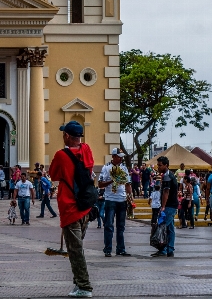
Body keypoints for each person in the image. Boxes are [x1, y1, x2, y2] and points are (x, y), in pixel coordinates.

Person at [49, 120, 95, 298]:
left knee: (75, 250)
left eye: (64, 134)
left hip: (70, 208)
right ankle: (78, 284)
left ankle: (84, 286)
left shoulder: (61, 155)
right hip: (85, 206)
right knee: (76, 247)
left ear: (67, 136)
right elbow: (89, 166)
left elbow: (54, 174)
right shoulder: (87, 149)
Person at [98, 148, 132, 257]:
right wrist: (112, 181)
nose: (121, 158)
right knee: (109, 225)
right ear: (113, 156)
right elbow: (100, 184)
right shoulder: (106, 168)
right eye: (119, 156)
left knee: (121, 226)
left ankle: (120, 249)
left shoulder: (123, 168)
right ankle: (108, 249)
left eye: (121, 156)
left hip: (122, 200)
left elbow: (128, 184)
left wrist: (130, 197)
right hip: (110, 200)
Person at [151, 155, 178, 257]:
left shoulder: (167, 176)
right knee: (170, 228)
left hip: (169, 205)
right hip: (173, 205)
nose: (158, 167)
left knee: (163, 227)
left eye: (160, 165)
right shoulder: (170, 175)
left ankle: (163, 250)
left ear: (166, 165)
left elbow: (166, 192)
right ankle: (170, 249)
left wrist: (163, 206)